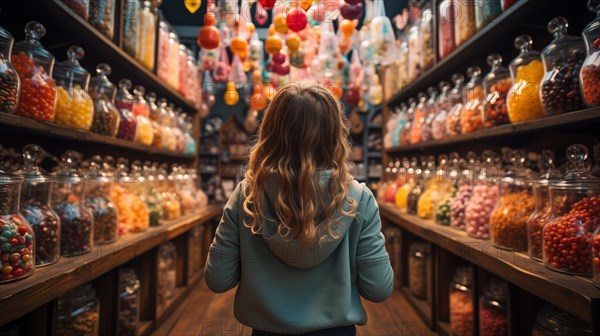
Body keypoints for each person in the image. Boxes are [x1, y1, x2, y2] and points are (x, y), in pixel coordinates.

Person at [204, 82, 394, 336]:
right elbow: (379, 288)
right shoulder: (359, 199)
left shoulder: (247, 195)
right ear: (335, 134)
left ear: (269, 132)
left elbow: (218, 279)